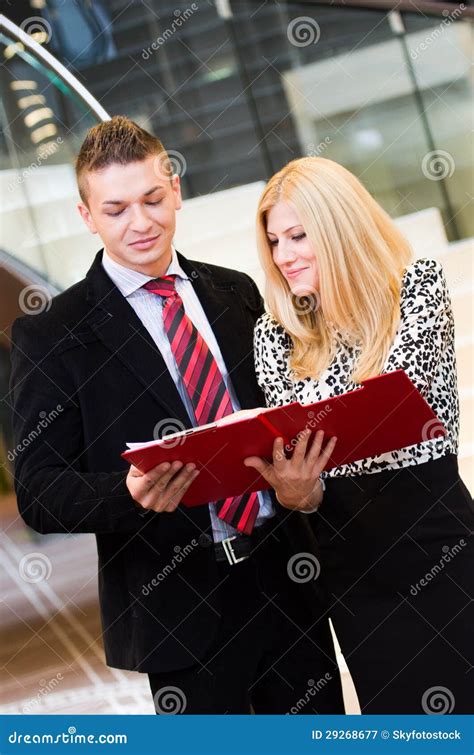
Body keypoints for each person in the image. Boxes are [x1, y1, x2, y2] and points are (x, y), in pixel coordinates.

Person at [9, 118, 344, 714]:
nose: (140, 223)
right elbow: (39, 492)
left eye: (153, 199)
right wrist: (129, 493)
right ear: (87, 216)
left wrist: (301, 477)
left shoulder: (235, 291)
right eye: (115, 209)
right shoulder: (52, 334)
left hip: (286, 580)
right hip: (178, 608)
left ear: (176, 190)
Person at [244, 156, 474, 714]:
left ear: (339, 228)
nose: (285, 256)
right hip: (353, 563)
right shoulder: (275, 334)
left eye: (299, 236)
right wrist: (299, 489)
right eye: (275, 241)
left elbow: (394, 421)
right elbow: (316, 458)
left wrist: (324, 448)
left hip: (436, 545)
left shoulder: (413, 289)